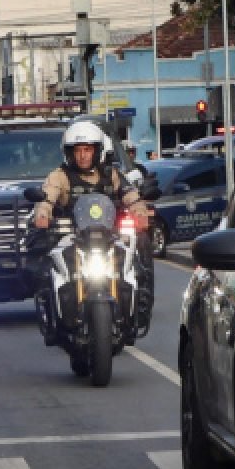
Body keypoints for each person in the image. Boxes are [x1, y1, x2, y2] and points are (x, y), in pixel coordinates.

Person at [32, 120, 153, 337]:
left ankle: (140, 305)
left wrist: (139, 212)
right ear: (69, 153)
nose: (83, 156)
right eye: (78, 150)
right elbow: (47, 198)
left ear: (97, 151)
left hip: (107, 236)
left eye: (88, 150)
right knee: (47, 264)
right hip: (73, 236)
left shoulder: (111, 174)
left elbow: (130, 195)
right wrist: (42, 214)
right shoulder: (59, 175)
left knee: (138, 251)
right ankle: (54, 311)